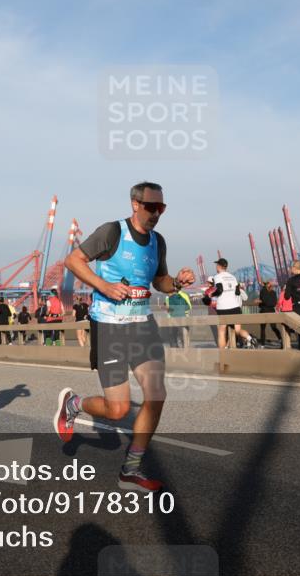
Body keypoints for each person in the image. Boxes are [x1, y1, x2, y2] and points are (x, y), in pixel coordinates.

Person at [56, 181, 195, 492]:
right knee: (118, 410)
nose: (156, 213)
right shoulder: (112, 232)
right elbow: (73, 261)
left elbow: (160, 281)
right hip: (109, 325)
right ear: (135, 204)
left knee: (156, 395)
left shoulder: (158, 241)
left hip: (142, 325)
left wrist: (178, 283)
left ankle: (130, 471)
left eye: (161, 208)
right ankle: (73, 405)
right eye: (151, 207)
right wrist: (103, 287)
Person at [208, 258, 258, 349]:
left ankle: (223, 352)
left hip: (223, 307)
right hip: (235, 307)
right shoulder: (233, 277)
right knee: (237, 330)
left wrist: (212, 294)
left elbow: (219, 290)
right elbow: (238, 292)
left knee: (222, 330)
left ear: (219, 266)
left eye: (217, 265)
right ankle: (249, 338)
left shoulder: (217, 277)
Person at [256, 280, 282, 345]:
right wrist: (263, 302)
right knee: (274, 327)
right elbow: (274, 303)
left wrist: (260, 302)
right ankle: (281, 339)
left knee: (263, 328)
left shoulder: (262, 291)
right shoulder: (273, 292)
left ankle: (262, 344)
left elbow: (264, 301)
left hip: (264, 310)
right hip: (271, 311)